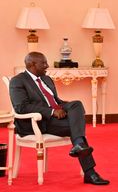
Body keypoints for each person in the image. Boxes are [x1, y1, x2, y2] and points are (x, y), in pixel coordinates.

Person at [9, 51, 110, 185]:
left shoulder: (46, 79)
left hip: (53, 119)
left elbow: (56, 101)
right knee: (76, 128)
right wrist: (51, 111)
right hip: (37, 123)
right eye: (43, 63)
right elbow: (21, 107)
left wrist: (65, 107)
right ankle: (90, 173)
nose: (47, 65)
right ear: (32, 64)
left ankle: (79, 146)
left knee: (76, 105)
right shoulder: (18, 81)